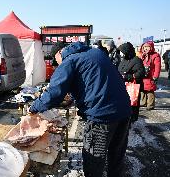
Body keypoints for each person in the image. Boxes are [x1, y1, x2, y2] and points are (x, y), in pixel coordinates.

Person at [29, 41, 132, 177]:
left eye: (55, 60)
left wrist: (34, 107)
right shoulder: (95, 52)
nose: (56, 64)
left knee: (94, 159)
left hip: (101, 116)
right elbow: (94, 80)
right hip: (124, 110)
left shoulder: (69, 60)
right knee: (116, 156)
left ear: (59, 53)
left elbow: (54, 93)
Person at [118, 42, 145, 122]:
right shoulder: (124, 60)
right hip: (124, 85)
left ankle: (133, 118)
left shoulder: (137, 60)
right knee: (125, 102)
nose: (121, 54)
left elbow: (140, 73)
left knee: (133, 103)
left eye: (122, 52)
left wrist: (127, 76)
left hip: (133, 86)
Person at [139, 41, 161, 110]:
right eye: (145, 47)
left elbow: (158, 67)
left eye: (148, 47)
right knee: (142, 90)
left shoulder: (155, 55)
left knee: (150, 91)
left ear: (151, 47)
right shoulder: (142, 55)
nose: (146, 48)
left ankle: (150, 105)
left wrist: (155, 76)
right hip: (143, 76)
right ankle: (143, 103)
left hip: (150, 77)